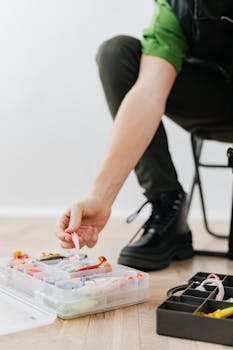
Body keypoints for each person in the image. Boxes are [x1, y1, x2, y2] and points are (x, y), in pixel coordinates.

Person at [55, 0, 233, 271]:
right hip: (215, 100)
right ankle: (167, 206)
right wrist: (100, 197)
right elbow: (149, 93)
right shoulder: (177, 5)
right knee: (117, 53)